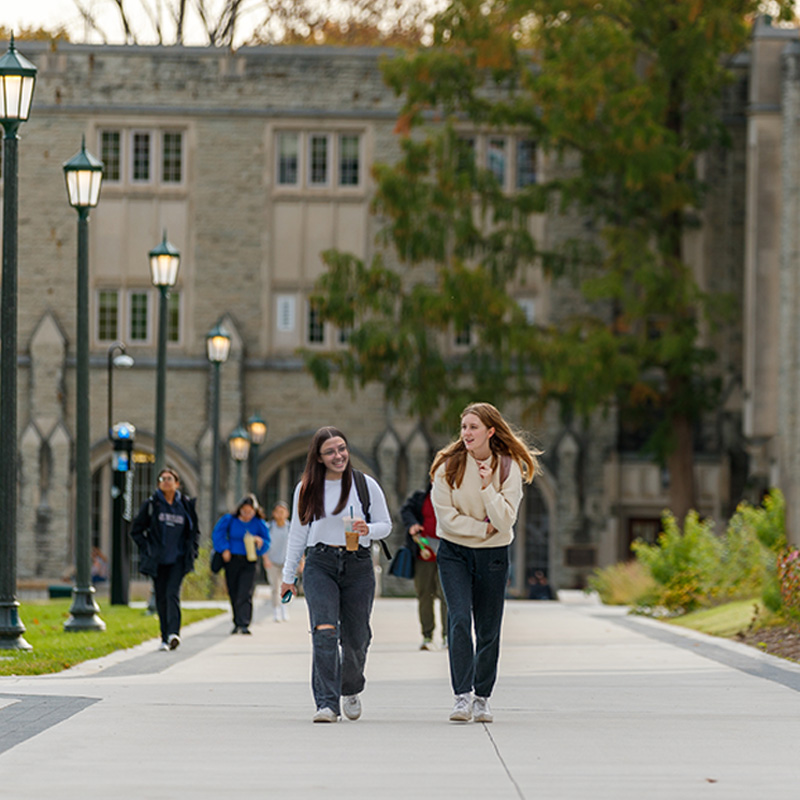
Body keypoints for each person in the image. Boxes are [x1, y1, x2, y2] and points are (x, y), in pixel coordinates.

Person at [430, 402, 539, 723]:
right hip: (454, 554)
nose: (466, 433)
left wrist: (488, 485)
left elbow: (505, 520)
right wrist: (482, 528)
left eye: (473, 427)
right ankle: (461, 697)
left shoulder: (508, 467)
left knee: (489, 629)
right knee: (459, 619)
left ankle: (482, 698)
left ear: (490, 431)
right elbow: (446, 519)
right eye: (464, 427)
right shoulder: (446, 466)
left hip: (493, 556)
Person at [280, 426, 392, 723]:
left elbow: (386, 524)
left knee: (356, 638)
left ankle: (350, 687)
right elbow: (297, 534)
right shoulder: (306, 488)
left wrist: (368, 529)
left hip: (358, 564)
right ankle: (327, 704)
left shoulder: (365, 485)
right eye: (330, 451)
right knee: (324, 631)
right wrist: (288, 575)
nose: (338, 455)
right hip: (320, 563)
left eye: (342, 448)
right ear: (318, 457)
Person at [130, 467, 200, 651]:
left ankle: (173, 634)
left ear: (177, 484)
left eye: (170, 479)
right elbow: (136, 530)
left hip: (178, 559)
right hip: (158, 560)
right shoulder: (152, 505)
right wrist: (147, 548)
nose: (166, 481)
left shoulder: (185, 505)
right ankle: (164, 637)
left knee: (172, 594)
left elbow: (194, 532)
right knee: (161, 597)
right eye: (162, 479)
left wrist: (192, 551)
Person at [212, 494, 271, 634]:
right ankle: (236, 621)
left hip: (249, 561)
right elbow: (217, 534)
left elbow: (267, 542)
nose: (247, 515)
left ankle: (244, 623)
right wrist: (224, 548)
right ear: (239, 510)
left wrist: (260, 542)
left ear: (255, 511)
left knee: (245, 592)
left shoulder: (259, 523)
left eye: (250, 512)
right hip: (232, 559)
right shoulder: (229, 520)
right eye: (244, 511)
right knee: (234, 591)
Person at [400, 484, 448, 650]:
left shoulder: (455, 496)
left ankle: (448, 635)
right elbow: (406, 511)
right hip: (424, 552)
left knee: (447, 595)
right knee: (424, 594)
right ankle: (427, 636)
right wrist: (412, 524)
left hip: (448, 554)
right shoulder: (421, 497)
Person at [264, 500, 293, 622]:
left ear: (287, 513)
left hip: (286, 562)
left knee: (286, 586)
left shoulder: (290, 527)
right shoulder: (269, 527)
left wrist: (301, 561)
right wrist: (265, 559)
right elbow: (264, 545)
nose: (280, 514)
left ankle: (284, 608)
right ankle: (276, 610)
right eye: (278, 512)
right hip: (272, 562)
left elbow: (297, 545)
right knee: (275, 587)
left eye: (283, 512)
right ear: (274, 513)